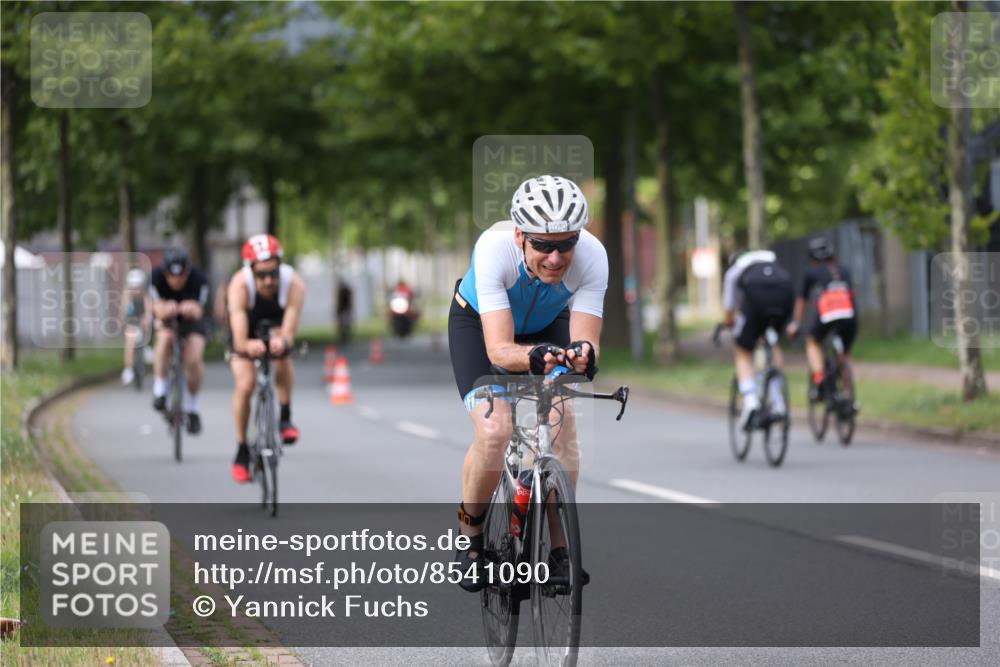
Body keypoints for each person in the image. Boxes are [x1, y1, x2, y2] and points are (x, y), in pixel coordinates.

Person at [448, 175, 607, 592]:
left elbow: (587, 337)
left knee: (563, 419)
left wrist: (582, 355)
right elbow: (500, 350)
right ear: (520, 235)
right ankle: (471, 540)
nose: (556, 258)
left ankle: (559, 552)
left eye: (566, 244)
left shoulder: (593, 256)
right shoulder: (493, 248)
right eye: (543, 245)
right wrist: (533, 357)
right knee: (495, 429)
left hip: (545, 323)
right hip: (480, 325)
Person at [227, 233, 305, 483]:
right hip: (246, 334)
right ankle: (241, 450)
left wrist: (282, 341)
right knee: (246, 384)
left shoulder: (293, 284)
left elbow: (290, 330)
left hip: (276, 330)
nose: (269, 280)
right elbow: (239, 339)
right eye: (262, 274)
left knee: (284, 357)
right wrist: (248, 346)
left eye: (273, 272)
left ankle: (285, 417)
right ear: (251, 270)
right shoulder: (239, 285)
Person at [721, 249, 795, 429]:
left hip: (756, 297)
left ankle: (751, 400)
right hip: (784, 294)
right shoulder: (771, 259)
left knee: (743, 350)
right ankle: (778, 399)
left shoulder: (735, 270)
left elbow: (730, 304)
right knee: (772, 341)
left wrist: (729, 322)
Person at [786, 237, 858, 402]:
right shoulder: (844, 270)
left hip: (828, 314)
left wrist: (796, 323)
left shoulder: (812, 272)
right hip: (850, 315)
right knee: (845, 355)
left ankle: (819, 379)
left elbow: (802, 300)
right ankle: (849, 396)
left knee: (813, 342)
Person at [150, 248, 209, 434]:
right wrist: (165, 309)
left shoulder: (199, 278)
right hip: (167, 320)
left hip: (191, 322)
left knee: (193, 359)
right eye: (172, 276)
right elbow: (155, 307)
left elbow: (200, 310)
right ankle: (160, 388)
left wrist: (191, 308)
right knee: (165, 337)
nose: (176, 281)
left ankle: (193, 408)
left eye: (181, 276)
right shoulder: (155, 277)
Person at [121, 268, 152, 386]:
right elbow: (124, 311)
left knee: (146, 323)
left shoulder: (145, 295)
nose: (136, 290)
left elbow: (148, 309)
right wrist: (123, 320)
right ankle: (128, 368)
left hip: (142, 319)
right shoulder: (127, 295)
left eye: (137, 287)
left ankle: (147, 346)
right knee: (130, 341)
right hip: (132, 320)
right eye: (133, 287)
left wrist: (147, 317)